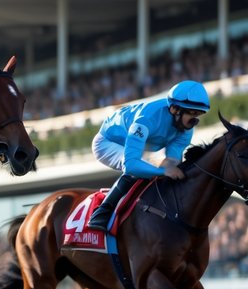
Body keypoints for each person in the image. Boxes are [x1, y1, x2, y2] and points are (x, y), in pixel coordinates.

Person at [86, 80, 211, 231]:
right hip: (107, 142)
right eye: (191, 113)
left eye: (198, 114)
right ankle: (101, 212)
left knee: (165, 172)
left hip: (141, 146)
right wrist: (162, 171)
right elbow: (131, 165)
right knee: (139, 170)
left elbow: (171, 162)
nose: (194, 121)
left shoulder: (185, 129)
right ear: (174, 109)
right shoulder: (147, 119)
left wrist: (168, 169)